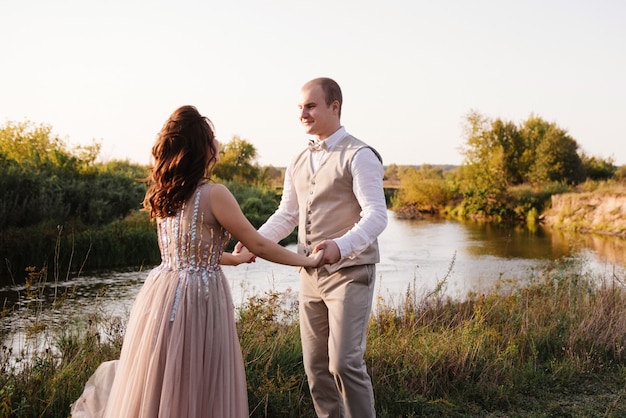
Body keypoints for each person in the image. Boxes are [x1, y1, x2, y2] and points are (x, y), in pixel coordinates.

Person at [71, 105, 324, 417]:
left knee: (163, 374)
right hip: (198, 298)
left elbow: (193, 252)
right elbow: (259, 242)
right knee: (197, 375)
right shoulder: (214, 193)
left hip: (161, 292)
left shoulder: (165, 192)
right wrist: (307, 261)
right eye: (212, 137)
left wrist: (235, 259)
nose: (217, 143)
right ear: (202, 147)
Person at [236, 77, 388, 417]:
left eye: (311, 106)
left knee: (344, 363)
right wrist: (254, 242)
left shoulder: (360, 155)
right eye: (300, 107)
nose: (303, 114)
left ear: (334, 107)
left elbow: (377, 216)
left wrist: (340, 246)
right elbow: (287, 214)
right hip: (309, 275)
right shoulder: (298, 159)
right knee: (316, 367)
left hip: (350, 272)